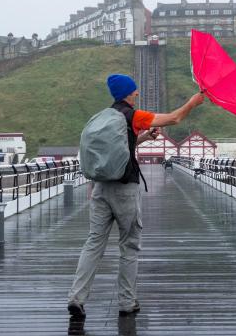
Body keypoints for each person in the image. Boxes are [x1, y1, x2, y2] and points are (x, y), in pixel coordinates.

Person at [67, 73, 204, 320]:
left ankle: (77, 298)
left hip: (99, 188)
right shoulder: (133, 115)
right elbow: (174, 117)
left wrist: (142, 138)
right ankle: (127, 302)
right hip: (124, 190)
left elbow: (122, 145)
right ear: (127, 94)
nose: (137, 93)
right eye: (134, 91)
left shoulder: (105, 117)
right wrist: (193, 102)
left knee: (93, 243)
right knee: (129, 244)